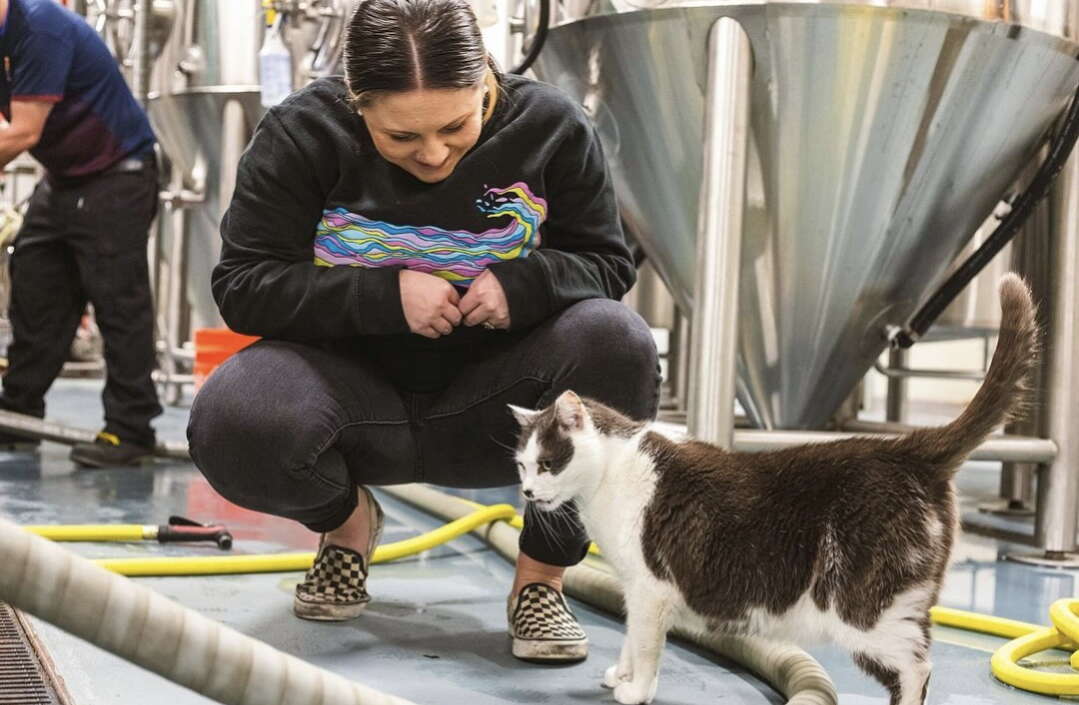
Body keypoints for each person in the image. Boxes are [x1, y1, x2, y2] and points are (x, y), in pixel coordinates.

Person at [187, 0, 659, 663]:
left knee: (617, 343)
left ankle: (540, 579)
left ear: (484, 83)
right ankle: (348, 526)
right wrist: (384, 295)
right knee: (233, 420)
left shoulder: (550, 127)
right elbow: (243, 283)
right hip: (348, 405)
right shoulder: (302, 134)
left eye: (456, 126)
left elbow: (607, 263)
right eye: (400, 138)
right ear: (357, 104)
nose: (434, 154)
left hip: (502, 412)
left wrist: (522, 284)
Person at [0, 0, 162, 467]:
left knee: (118, 302)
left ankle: (131, 430)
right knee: (35, 283)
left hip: (118, 173)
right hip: (65, 177)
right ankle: (19, 411)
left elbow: (23, 131)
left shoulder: (40, 27)